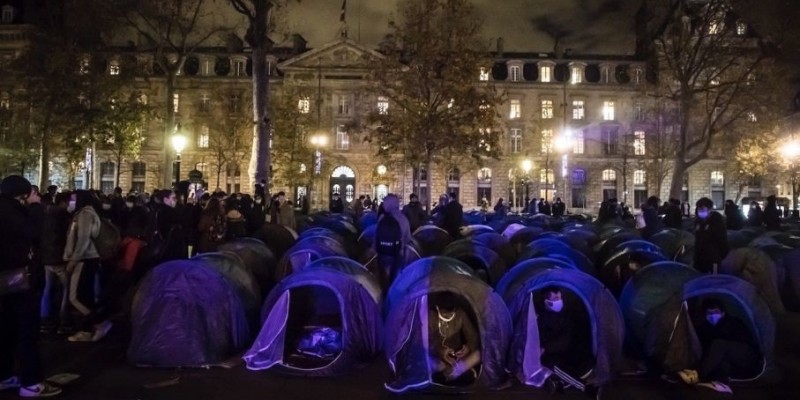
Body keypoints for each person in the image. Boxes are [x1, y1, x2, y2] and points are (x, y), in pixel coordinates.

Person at [0, 175, 62, 397]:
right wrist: (36, 207)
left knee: (6, 330)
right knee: (27, 331)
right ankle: (31, 383)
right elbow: (33, 232)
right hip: (20, 280)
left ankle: (5, 375)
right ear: (22, 195)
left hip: (4, 281)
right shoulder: (13, 214)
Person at [62, 190, 113, 343]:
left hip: (84, 259)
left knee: (75, 297)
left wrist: (73, 260)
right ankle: (87, 329)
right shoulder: (87, 213)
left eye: (73, 199)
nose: (71, 201)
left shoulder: (85, 215)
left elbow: (83, 240)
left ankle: (97, 324)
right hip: (87, 258)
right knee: (85, 296)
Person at [677, 299, 759, 394]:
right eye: (709, 313)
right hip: (733, 363)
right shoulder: (704, 329)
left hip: (746, 355)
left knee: (719, 344)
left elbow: (744, 340)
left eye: (715, 312)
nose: (712, 315)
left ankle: (697, 375)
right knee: (721, 364)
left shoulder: (733, 322)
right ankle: (721, 384)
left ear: (723, 313)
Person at [537, 286, 595, 393]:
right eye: (555, 299)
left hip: (577, 355)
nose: (559, 301)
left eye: (559, 298)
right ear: (547, 302)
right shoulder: (541, 317)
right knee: (549, 361)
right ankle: (561, 385)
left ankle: (585, 388)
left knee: (550, 362)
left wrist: (545, 349)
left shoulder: (569, 315)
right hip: (562, 354)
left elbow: (566, 341)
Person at [427, 292, 481, 384]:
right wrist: (441, 351)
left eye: (451, 314)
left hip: (457, 358)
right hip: (438, 358)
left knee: (478, 355)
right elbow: (424, 343)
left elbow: (473, 338)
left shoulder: (461, 314)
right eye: (444, 314)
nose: (448, 316)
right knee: (430, 361)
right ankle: (449, 373)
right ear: (437, 308)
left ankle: (455, 372)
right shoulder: (430, 316)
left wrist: (467, 347)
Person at [39, 191, 73, 334]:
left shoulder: (45, 214)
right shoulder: (64, 216)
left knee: (47, 289)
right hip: (60, 258)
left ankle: (45, 320)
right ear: (64, 202)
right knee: (66, 290)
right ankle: (64, 322)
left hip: (47, 258)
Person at [373, 194, 412, 288]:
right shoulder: (403, 219)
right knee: (395, 280)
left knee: (382, 279)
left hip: (382, 253)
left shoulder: (383, 217)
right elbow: (408, 238)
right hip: (398, 253)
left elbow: (376, 236)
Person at [694, 197, 729, 274]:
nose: (700, 211)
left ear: (710, 209)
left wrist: (723, 256)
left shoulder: (717, 221)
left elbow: (722, 240)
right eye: (699, 209)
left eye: (703, 209)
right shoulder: (698, 221)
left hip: (713, 258)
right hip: (699, 258)